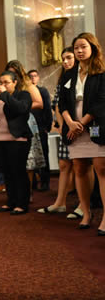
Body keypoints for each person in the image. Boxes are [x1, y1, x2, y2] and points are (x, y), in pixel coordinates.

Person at [58, 32, 105, 233]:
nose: (79, 50)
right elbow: (62, 102)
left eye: (83, 46)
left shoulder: (101, 72)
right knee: (78, 168)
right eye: (76, 47)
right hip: (73, 128)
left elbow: (101, 102)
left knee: (101, 168)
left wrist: (82, 123)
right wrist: (70, 122)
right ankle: (86, 213)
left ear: (92, 48)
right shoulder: (69, 74)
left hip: (94, 126)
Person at [37, 47, 90, 217]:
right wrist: (61, 126)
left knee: (83, 165)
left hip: (82, 126)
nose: (65, 62)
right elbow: (59, 105)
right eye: (63, 59)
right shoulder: (65, 77)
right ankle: (60, 202)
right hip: (66, 127)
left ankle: (84, 205)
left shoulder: (84, 75)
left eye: (68, 57)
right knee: (64, 164)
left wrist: (76, 125)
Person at [0, 70, 33, 215]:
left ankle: (22, 204)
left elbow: (21, 109)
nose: (2, 85)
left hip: (17, 139)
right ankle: (11, 201)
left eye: (6, 82)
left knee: (18, 171)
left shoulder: (23, 95)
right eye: (0, 83)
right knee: (6, 172)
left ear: (15, 82)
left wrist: (5, 95)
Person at [5, 60, 45, 201]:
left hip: (26, 121)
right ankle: (16, 192)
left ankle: (28, 192)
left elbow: (39, 103)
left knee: (27, 160)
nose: (12, 74)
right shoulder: (6, 86)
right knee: (13, 160)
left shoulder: (27, 84)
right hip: (10, 123)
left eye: (14, 72)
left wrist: (22, 106)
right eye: (10, 72)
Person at [28, 69, 53, 191]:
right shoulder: (26, 92)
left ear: (38, 78)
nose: (33, 78)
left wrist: (47, 127)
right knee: (31, 157)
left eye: (35, 76)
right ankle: (32, 183)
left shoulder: (42, 91)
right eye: (30, 76)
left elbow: (47, 108)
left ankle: (45, 182)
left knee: (43, 155)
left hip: (41, 127)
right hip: (28, 128)